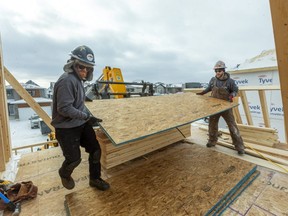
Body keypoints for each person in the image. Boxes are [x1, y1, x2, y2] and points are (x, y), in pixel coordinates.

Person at [51, 45, 110, 190]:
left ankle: (95, 179)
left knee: (95, 150)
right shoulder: (66, 81)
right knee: (74, 160)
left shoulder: (78, 80)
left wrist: (85, 106)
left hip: (80, 123)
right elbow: (64, 108)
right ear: (72, 64)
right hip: (66, 128)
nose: (84, 71)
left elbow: (75, 101)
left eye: (88, 68)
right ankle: (64, 173)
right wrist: (86, 117)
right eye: (81, 67)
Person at [196, 60, 245, 155]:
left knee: (232, 126)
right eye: (216, 71)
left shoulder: (230, 81)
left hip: (226, 107)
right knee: (212, 124)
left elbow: (235, 90)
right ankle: (212, 141)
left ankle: (239, 146)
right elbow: (209, 88)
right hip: (215, 107)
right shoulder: (213, 80)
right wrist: (203, 92)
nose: (217, 73)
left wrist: (232, 95)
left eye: (219, 71)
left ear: (223, 71)